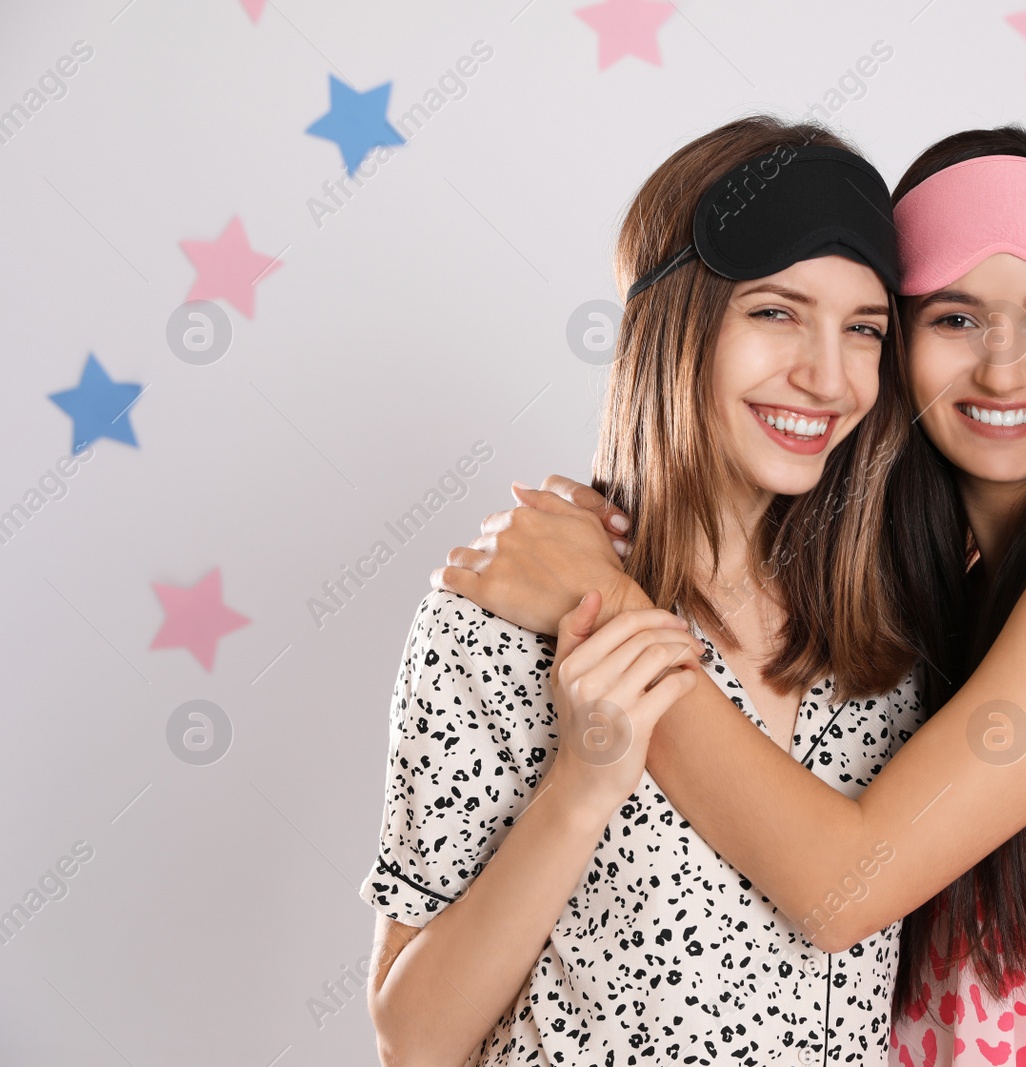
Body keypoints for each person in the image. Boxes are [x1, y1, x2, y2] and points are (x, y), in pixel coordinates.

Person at [442, 123, 1026, 1065]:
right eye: (955, 318)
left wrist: (596, 596)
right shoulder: (898, 592)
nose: (1005, 366)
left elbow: (844, 885)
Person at [361, 115, 928, 1067]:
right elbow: (413, 1041)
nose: (828, 376)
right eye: (777, 312)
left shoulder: (897, 643)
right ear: (676, 323)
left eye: (863, 329)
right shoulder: (501, 614)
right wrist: (582, 787)